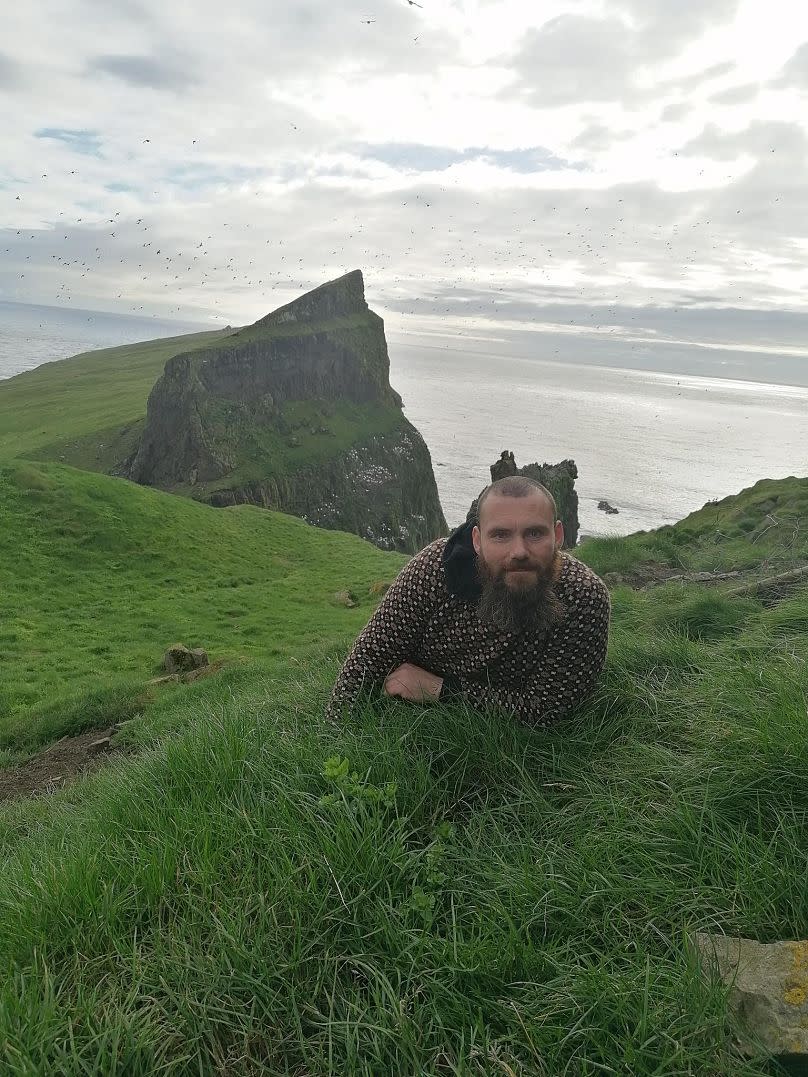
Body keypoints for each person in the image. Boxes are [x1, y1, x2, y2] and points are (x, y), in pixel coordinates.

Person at [325, 475, 610, 730]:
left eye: (535, 533)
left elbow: (551, 710)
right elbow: (367, 660)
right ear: (477, 540)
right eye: (500, 535)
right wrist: (332, 739)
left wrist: (441, 690)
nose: (519, 551)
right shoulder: (434, 569)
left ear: (557, 535)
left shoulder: (582, 596)